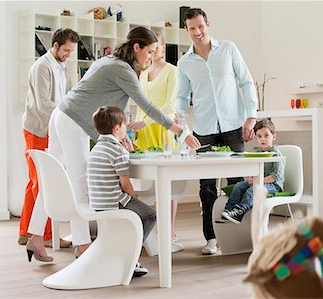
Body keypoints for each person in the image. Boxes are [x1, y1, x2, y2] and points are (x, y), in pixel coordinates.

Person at [26, 26, 200, 262]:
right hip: (74, 122)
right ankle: (83, 245)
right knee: (80, 184)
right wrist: (180, 131)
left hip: (62, 115)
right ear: (136, 47)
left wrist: (121, 134)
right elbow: (148, 107)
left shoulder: (109, 61)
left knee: (52, 181)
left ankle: (35, 236)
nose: (150, 57)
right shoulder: (123, 70)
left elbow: (105, 102)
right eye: (149, 51)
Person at [176, 8, 258, 255]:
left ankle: (237, 237)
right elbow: (180, 99)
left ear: (207, 24)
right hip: (204, 130)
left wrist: (251, 117)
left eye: (200, 26)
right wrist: (184, 130)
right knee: (207, 187)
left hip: (233, 126)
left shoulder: (229, 49)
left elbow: (245, 81)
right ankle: (211, 238)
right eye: (192, 28)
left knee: (237, 184)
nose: (198, 32)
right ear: (187, 30)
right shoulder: (184, 62)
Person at [20, 28, 79, 250]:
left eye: (71, 51)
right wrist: (65, 120)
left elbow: (71, 95)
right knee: (43, 182)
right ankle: (45, 236)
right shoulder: (41, 67)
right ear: (54, 46)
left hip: (53, 128)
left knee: (34, 180)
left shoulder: (64, 67)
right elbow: (44, 104)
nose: (68, 55)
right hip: (38, 129)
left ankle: (25, 231)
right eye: (66, 50)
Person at [129, 32, 183, 251]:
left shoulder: (173, 72)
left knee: (167, 183)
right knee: (140, 179)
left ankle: (169, 230)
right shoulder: (143, 73)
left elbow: (170, 106)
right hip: (142, 132)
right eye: (150, 49)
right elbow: (141, 104)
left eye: (156, 47)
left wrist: (146, 123)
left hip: (163, 130)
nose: (153, 52)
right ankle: (141, 228)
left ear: (163, 46)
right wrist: (134, 127)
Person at [88, 106, 155, 277]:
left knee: (137, 213)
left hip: (97, 202)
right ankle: (130, 258)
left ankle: (124, 255)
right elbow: (125, 185)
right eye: (125, 124)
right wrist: (135, 197)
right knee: (150, 215)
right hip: (113, 202)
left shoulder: (96, 149)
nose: (126, 127)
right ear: (117, 128)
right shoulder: (117, 151)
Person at [221, 119, 285, 224]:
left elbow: (276, 176)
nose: (262, 139)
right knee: (238, 186)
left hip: (273, 185)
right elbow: (252, 168)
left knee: (252, 190)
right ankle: (228, 210)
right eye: (259, 136)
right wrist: (251, 177)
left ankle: (239, 212)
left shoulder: (276, 154)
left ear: (274, 136)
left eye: (266, 135)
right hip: (259, 181)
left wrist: (258, 181)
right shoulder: (258, 152)